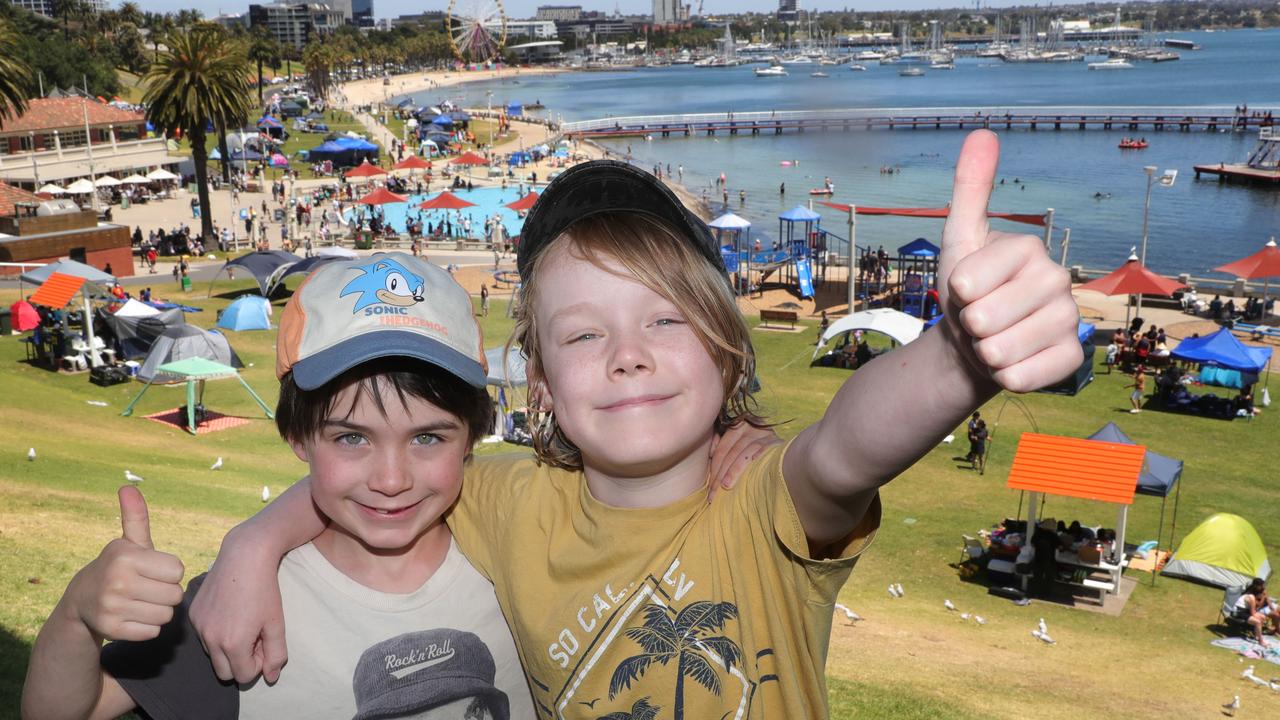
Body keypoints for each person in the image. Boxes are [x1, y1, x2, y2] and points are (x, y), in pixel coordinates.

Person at [188, 134, 1082, 717]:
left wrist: (957, 355)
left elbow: (848, 445)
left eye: (665, 320)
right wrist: (252, 546)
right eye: (584, 333)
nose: (627, 355)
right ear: (537, 379)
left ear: (728, 352)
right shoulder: (506, 501)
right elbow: (385, 478)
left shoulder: (758, 506)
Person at [21, 253, 535, 719]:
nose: (391, 480)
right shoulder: (230, 606)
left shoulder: (521, 557)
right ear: (297, 437)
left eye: (427, 437)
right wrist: (77, 617)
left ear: (473, 435)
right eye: (352, 438)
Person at [1235, 578, 1279, 645]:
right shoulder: (1251, 597)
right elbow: (1253, 612)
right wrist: (1263, 598)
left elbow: (1267, 598)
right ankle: (1261, 641)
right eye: (1261, 585)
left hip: (1247, 610)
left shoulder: (1258, 592)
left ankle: (1256, 636)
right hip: (1240, 612)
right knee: (1259, 621)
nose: (1263, 587)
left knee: (1263, 617)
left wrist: (1270, 607)